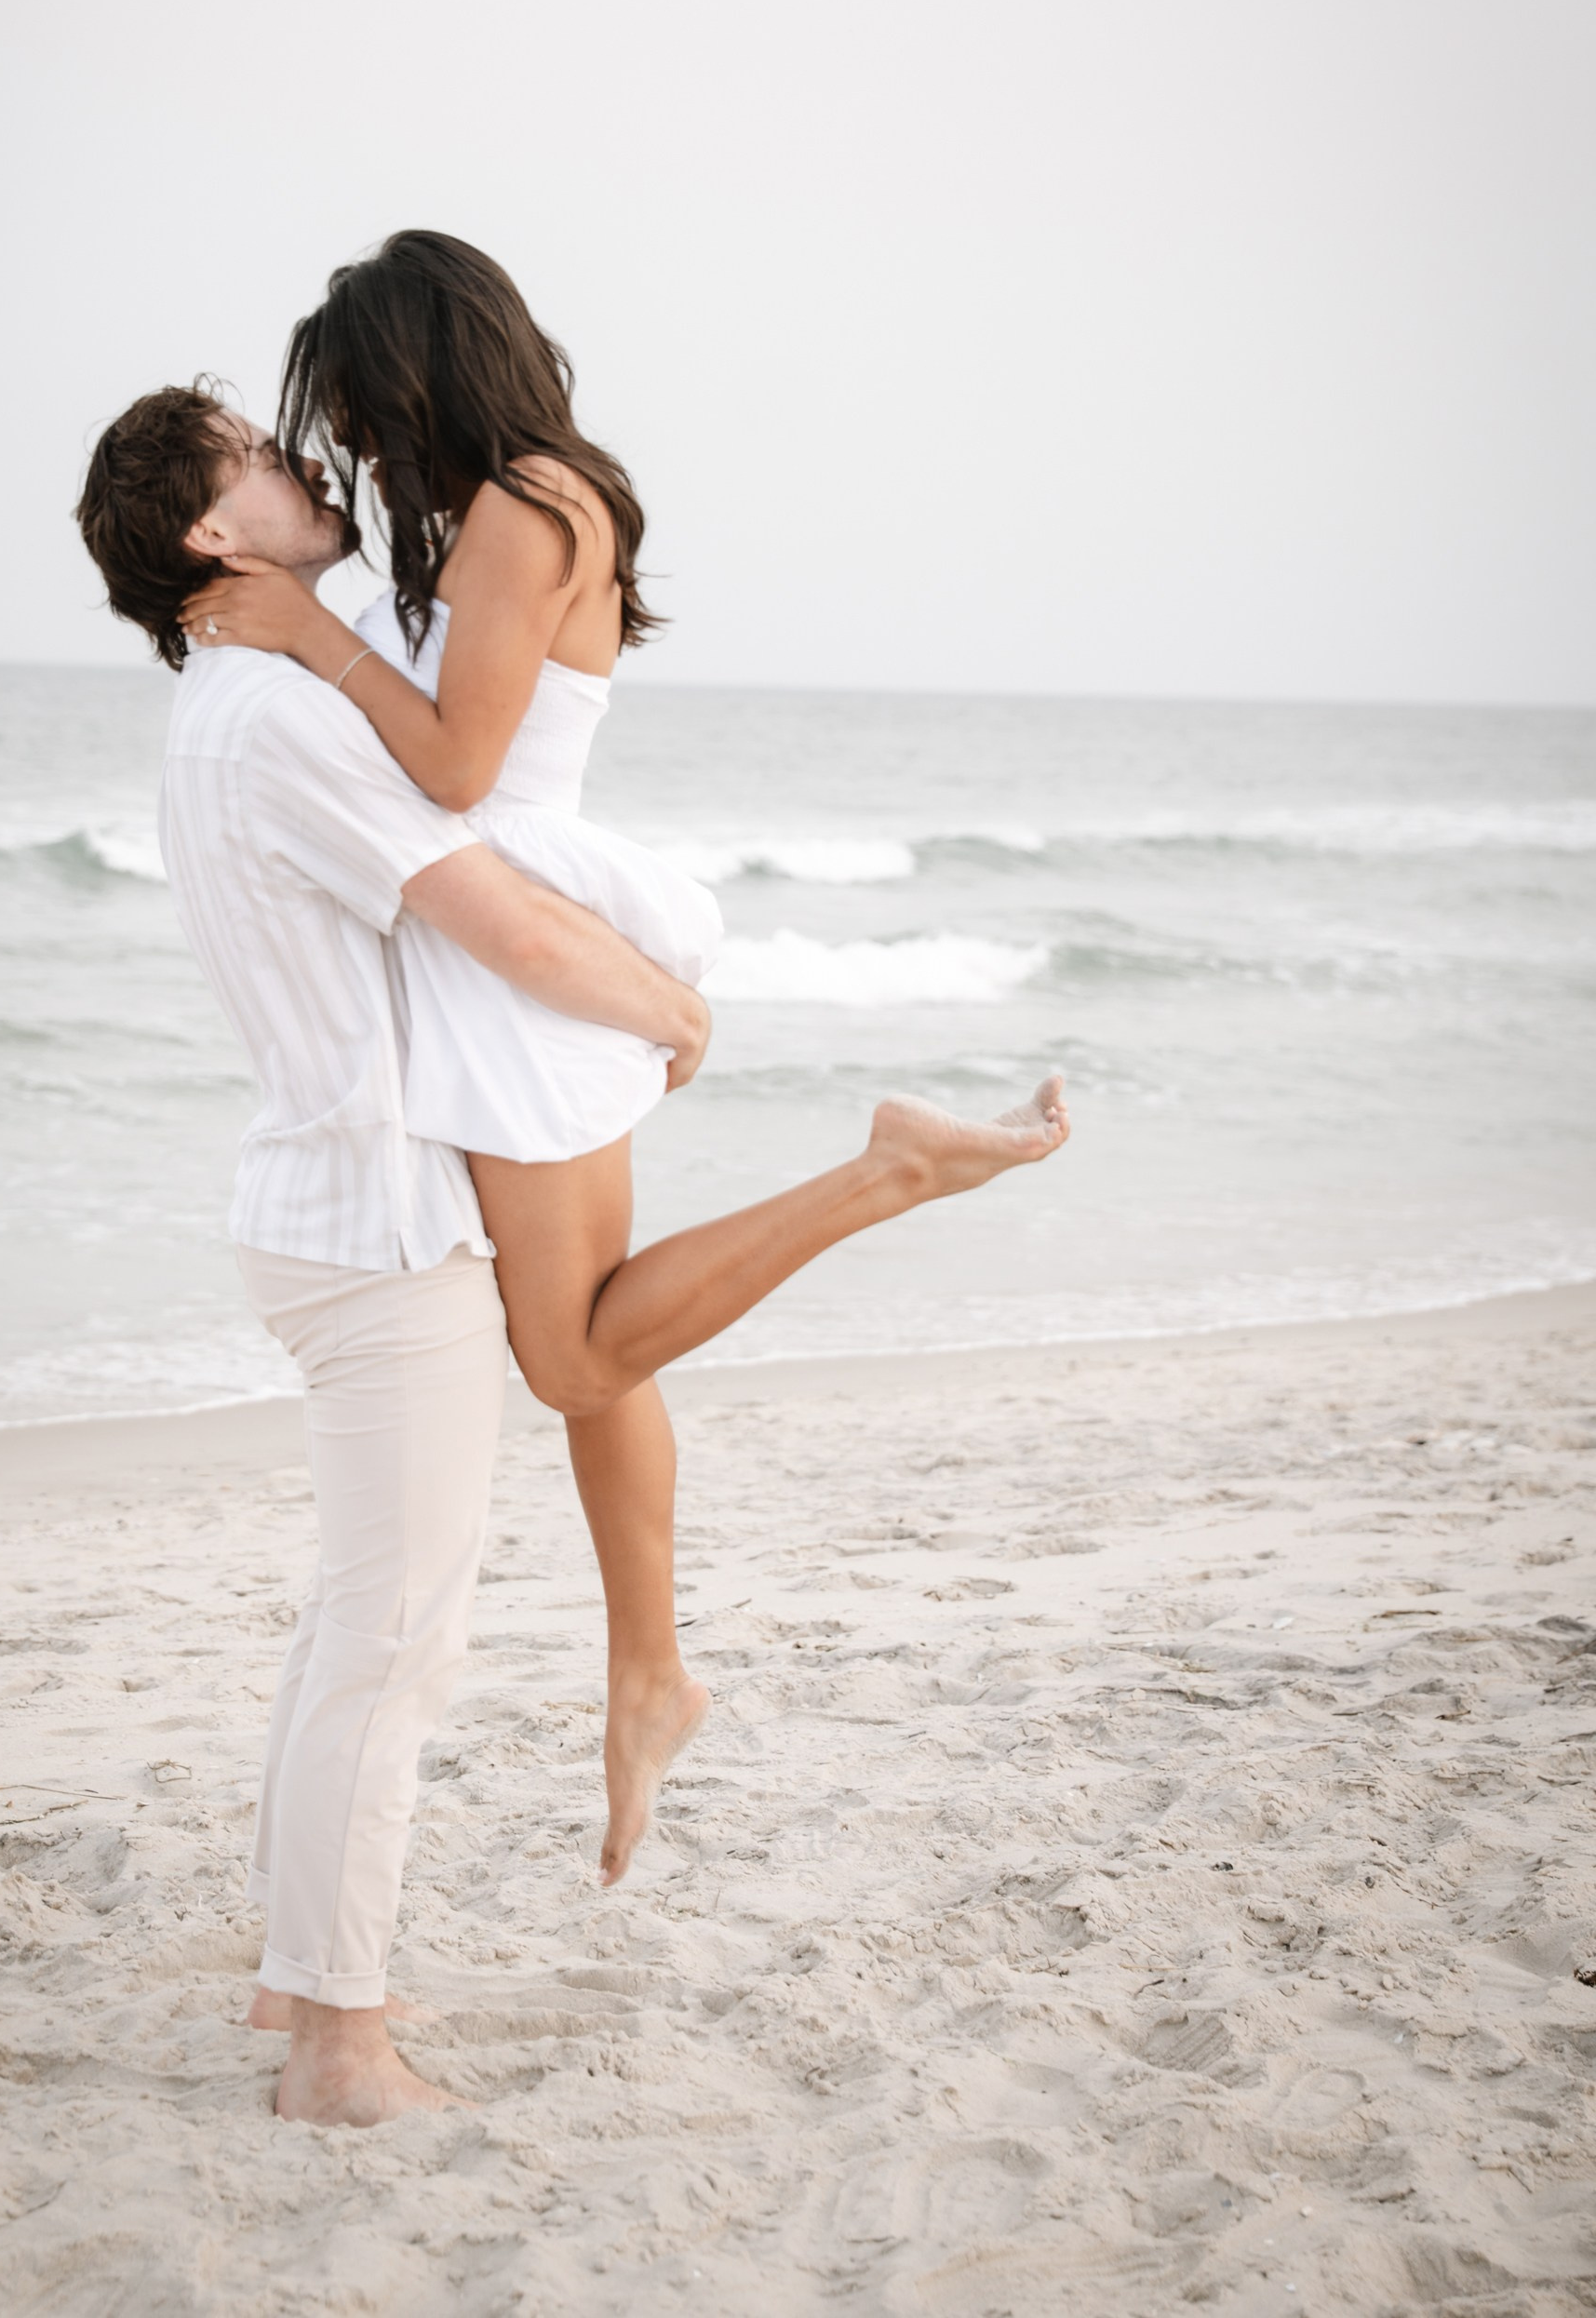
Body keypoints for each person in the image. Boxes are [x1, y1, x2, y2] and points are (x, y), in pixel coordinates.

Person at [79, 367, 1066, 2130]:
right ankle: (339, 2050)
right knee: (396, 1643)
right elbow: (489, 908)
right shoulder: (277, 709)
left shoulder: (244, 697)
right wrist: (669, 1003)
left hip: (341, 1205)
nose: (301, 457)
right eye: (254, 452)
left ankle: (306, 1982)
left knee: (360, 1633)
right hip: (379, 1227)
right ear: (209, 535)